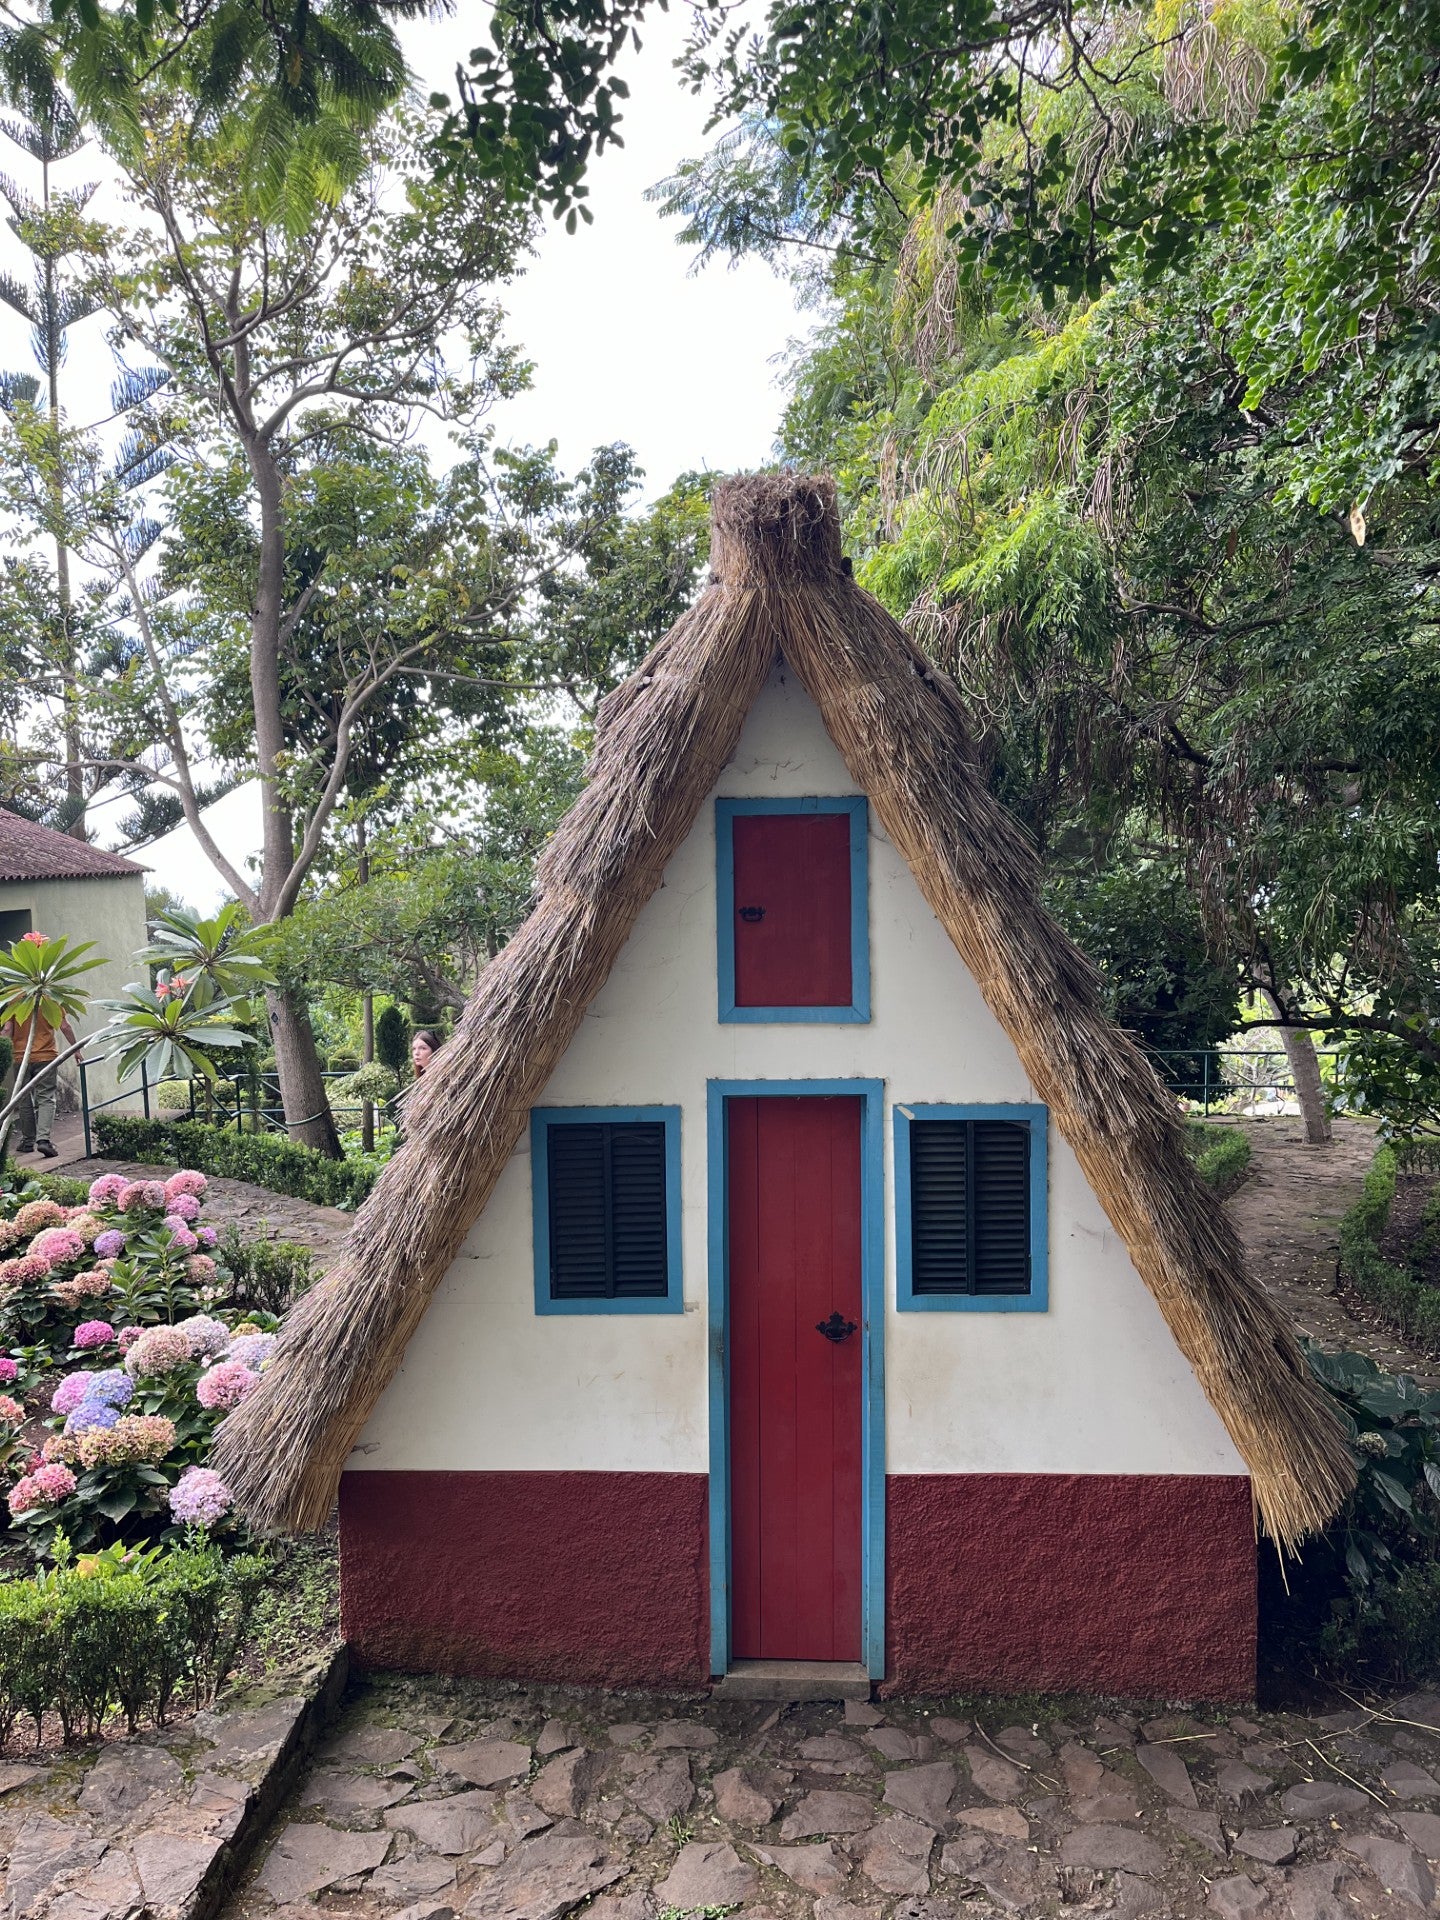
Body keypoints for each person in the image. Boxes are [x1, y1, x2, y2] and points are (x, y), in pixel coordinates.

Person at [4, 972, 76, 1159]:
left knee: (24, 1099)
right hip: (46, 1055)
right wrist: (76, 1050)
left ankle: (27, 1141)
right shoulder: (50, 995)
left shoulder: (15, 996)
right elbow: (65, 1026)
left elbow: (7, 1030)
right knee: (46, 1098)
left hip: (20, 1057)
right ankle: (43, 1140)